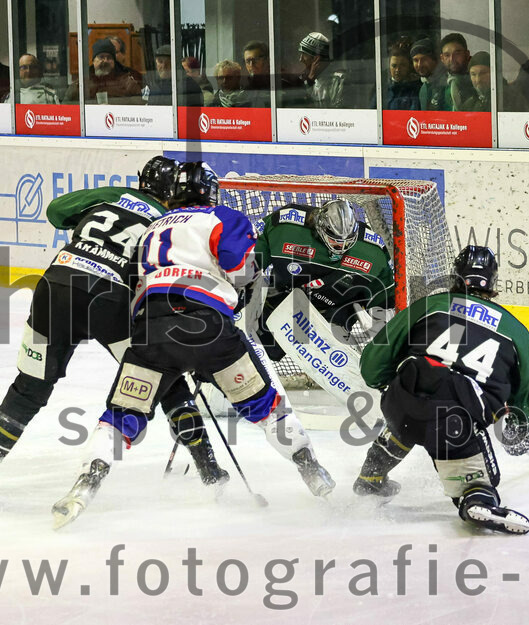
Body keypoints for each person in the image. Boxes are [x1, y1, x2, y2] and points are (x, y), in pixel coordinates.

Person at [51, 163, 334, 527]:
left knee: (121, 417)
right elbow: (243, 269)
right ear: (211, 193)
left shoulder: (153, 227)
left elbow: (134, 280)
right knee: (266, 409)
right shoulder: (223, 218)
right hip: (210, 329)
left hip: (151, 333)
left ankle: (86, 484)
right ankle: (312, 472)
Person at [0, 156, 228, 495]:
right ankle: (208, 467)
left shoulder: (112, 195)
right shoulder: (170, 221)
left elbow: (57, 211)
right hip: (108, 297)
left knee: (31, 386)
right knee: (163, 378)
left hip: (54, 285)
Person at [353, 245, 529, 534]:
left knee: (414, 396)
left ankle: (371, 477)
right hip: (456, 420)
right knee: (457, 431)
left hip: (401, 403)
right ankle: (475, 497)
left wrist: (389, 385)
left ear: (455, 278)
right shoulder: (516, 330)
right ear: (492, 284)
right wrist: (518, 436)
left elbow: (372, 365)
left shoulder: (427, 306)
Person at [254, 198, 396, 359]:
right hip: (286, 298)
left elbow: (385, 299)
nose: (341, 248)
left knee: (330, 355)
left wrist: (387, 336)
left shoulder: (373, 252)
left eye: (348, 242)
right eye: (335, 242)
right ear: (320, 228)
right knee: (270, 350)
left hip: (334, 309)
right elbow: (251, 260)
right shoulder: (285, 226)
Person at [66, 38, 142, 104]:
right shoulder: (83, 81)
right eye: (101, 57)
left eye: (109, 58)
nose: (105, 61)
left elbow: (141, 104)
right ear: (93, 60)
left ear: (114, 62)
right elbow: (66, 106)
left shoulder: (126, 81)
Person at [439, 33, 478, 111]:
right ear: (442, 58)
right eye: (447, 55)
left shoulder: (479, 77)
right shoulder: (439, 84)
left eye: (457, 53)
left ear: (467, 54)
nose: (452, 59)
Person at [411, 37, 448, 111]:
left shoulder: (448, 84)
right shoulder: (424, 88)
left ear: (435, 59)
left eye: (424, 59)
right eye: (416, 60)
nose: (419, 65)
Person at [385, 41, 421, 110]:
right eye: (394, 66)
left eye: (402, 65)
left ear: (409, 66)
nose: (397, 70)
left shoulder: (415, 90)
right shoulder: (383, 89)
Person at [242, 40, 273, 108]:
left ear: (267, 60)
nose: (251, 65)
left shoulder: (279, 84)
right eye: (247, 61)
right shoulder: (244, 89)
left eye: (255, 60)